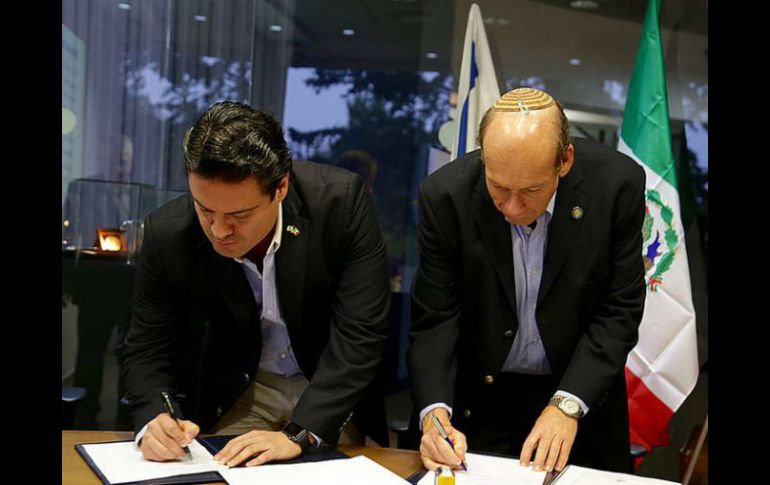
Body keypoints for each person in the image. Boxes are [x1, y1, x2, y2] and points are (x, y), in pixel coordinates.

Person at [122, 101, 390, 466]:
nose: (219, 231)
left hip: (327, 389)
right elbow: (147, 347)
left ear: (281, 188)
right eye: (204, 209)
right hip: (241, 392)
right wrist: (155, 418)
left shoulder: (339, 204)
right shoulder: (167, 232)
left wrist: (302, 432)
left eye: (240, 215)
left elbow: (361, 334)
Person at [408, 88, 646, 474]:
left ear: (564, 161)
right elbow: (436, 318)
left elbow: (620, 311)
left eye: (531, 190)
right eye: (499, 188)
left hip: (579, 400)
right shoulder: (445, 196)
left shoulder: (616, 186)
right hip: (479, 404)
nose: (513, 207)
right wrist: (434, 414)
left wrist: (567, 403)